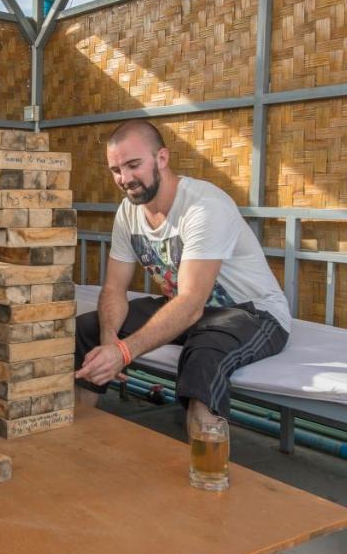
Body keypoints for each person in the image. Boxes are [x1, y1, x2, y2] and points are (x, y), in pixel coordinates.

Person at [74, 120, 291, 436]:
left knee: (203, 356)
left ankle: (204, 472)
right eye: (116, 170)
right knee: (88, 329)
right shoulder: (127, 212)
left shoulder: (204, 207)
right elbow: (114, 288)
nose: (125, 178)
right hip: (193, 311)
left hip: (252, 313)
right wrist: (110, 341)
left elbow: (190, 304)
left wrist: (122, 353)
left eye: (134, 165)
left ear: (162, 158)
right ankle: (78, 439)